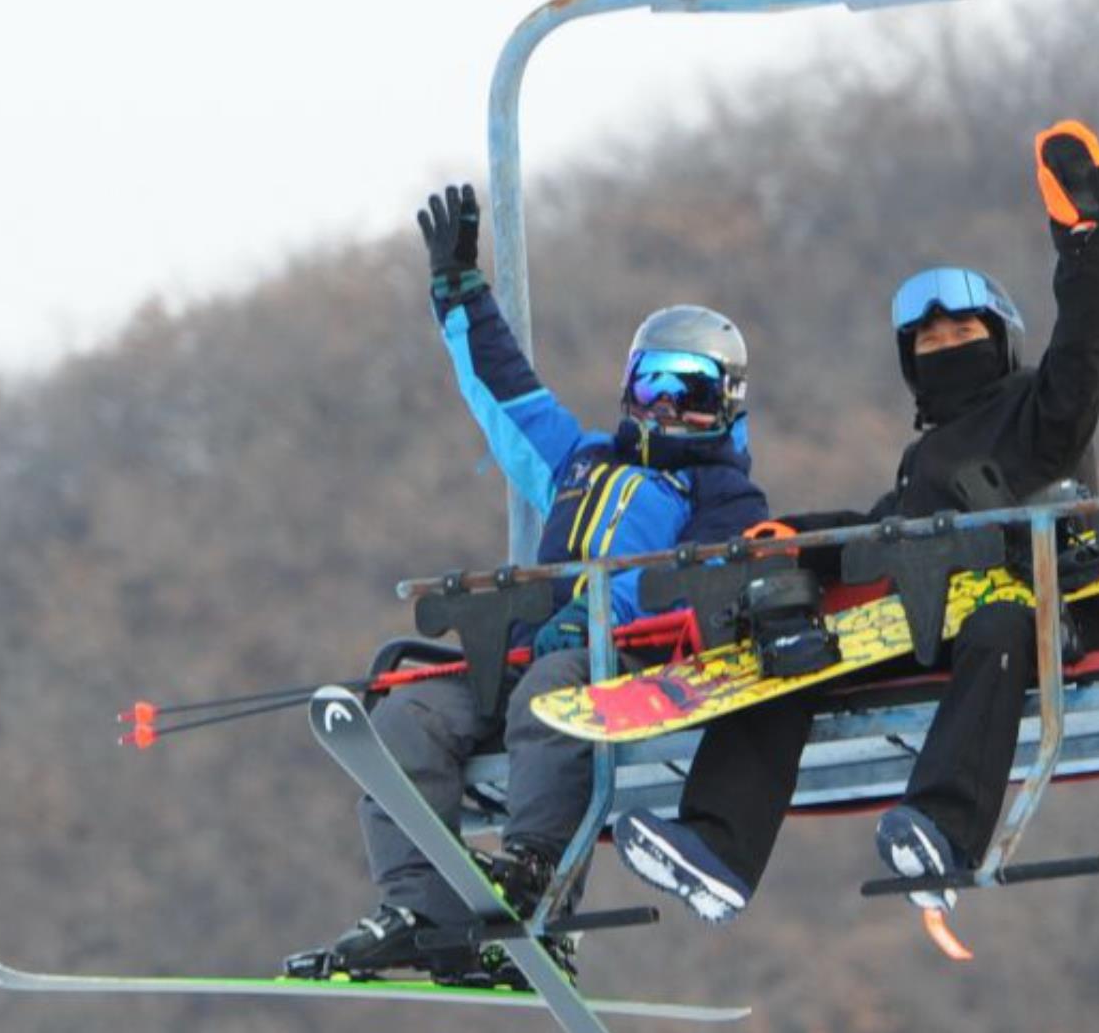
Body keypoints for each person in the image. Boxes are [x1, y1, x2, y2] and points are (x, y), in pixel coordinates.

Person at [606, 119, 1099, 923]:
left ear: (1000, 343)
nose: (945, 346)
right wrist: (798, 540)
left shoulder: (1041, 414)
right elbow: (886, 531)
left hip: (1030, 603)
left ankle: (943, 833)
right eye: (929, 339)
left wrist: (1085, 236)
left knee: (997, 620)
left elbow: (1091, 340)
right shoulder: (926, 460)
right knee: (792, 652)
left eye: (962, 332)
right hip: (921, 611)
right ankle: (717, 847)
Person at [286, 184, 769, 983]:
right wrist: (459, 292)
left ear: (724, 403)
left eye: (688, 389)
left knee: (553, 688)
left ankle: (536, 874)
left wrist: (601, 621)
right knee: (410, 713)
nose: (665, 406)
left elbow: (695, 587)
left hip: (632, 668)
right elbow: (508, 395)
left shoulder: (721, 495)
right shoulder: (583, 462)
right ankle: (422, 907)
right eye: (651, 383)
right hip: (525, 658)